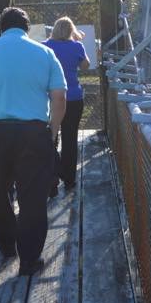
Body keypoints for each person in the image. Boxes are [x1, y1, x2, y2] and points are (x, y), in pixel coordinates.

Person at [0, 7, 67, 277]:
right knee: (33, 196)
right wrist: (53, 130)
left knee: (0, 188)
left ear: (1, 27)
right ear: (27, 28)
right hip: (34, 133)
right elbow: (59, 97)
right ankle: (29, 260)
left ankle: (7, 247)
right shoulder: (44, 53)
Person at [42, 16, 90, 193]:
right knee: (70, 138)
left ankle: (51, 179)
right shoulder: (77, 46)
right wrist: (77, 42)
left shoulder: (44, 46)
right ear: (71, 31)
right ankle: (69, 179)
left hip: (50, 98)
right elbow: (85, 66)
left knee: (50, 137)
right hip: (73, 98)